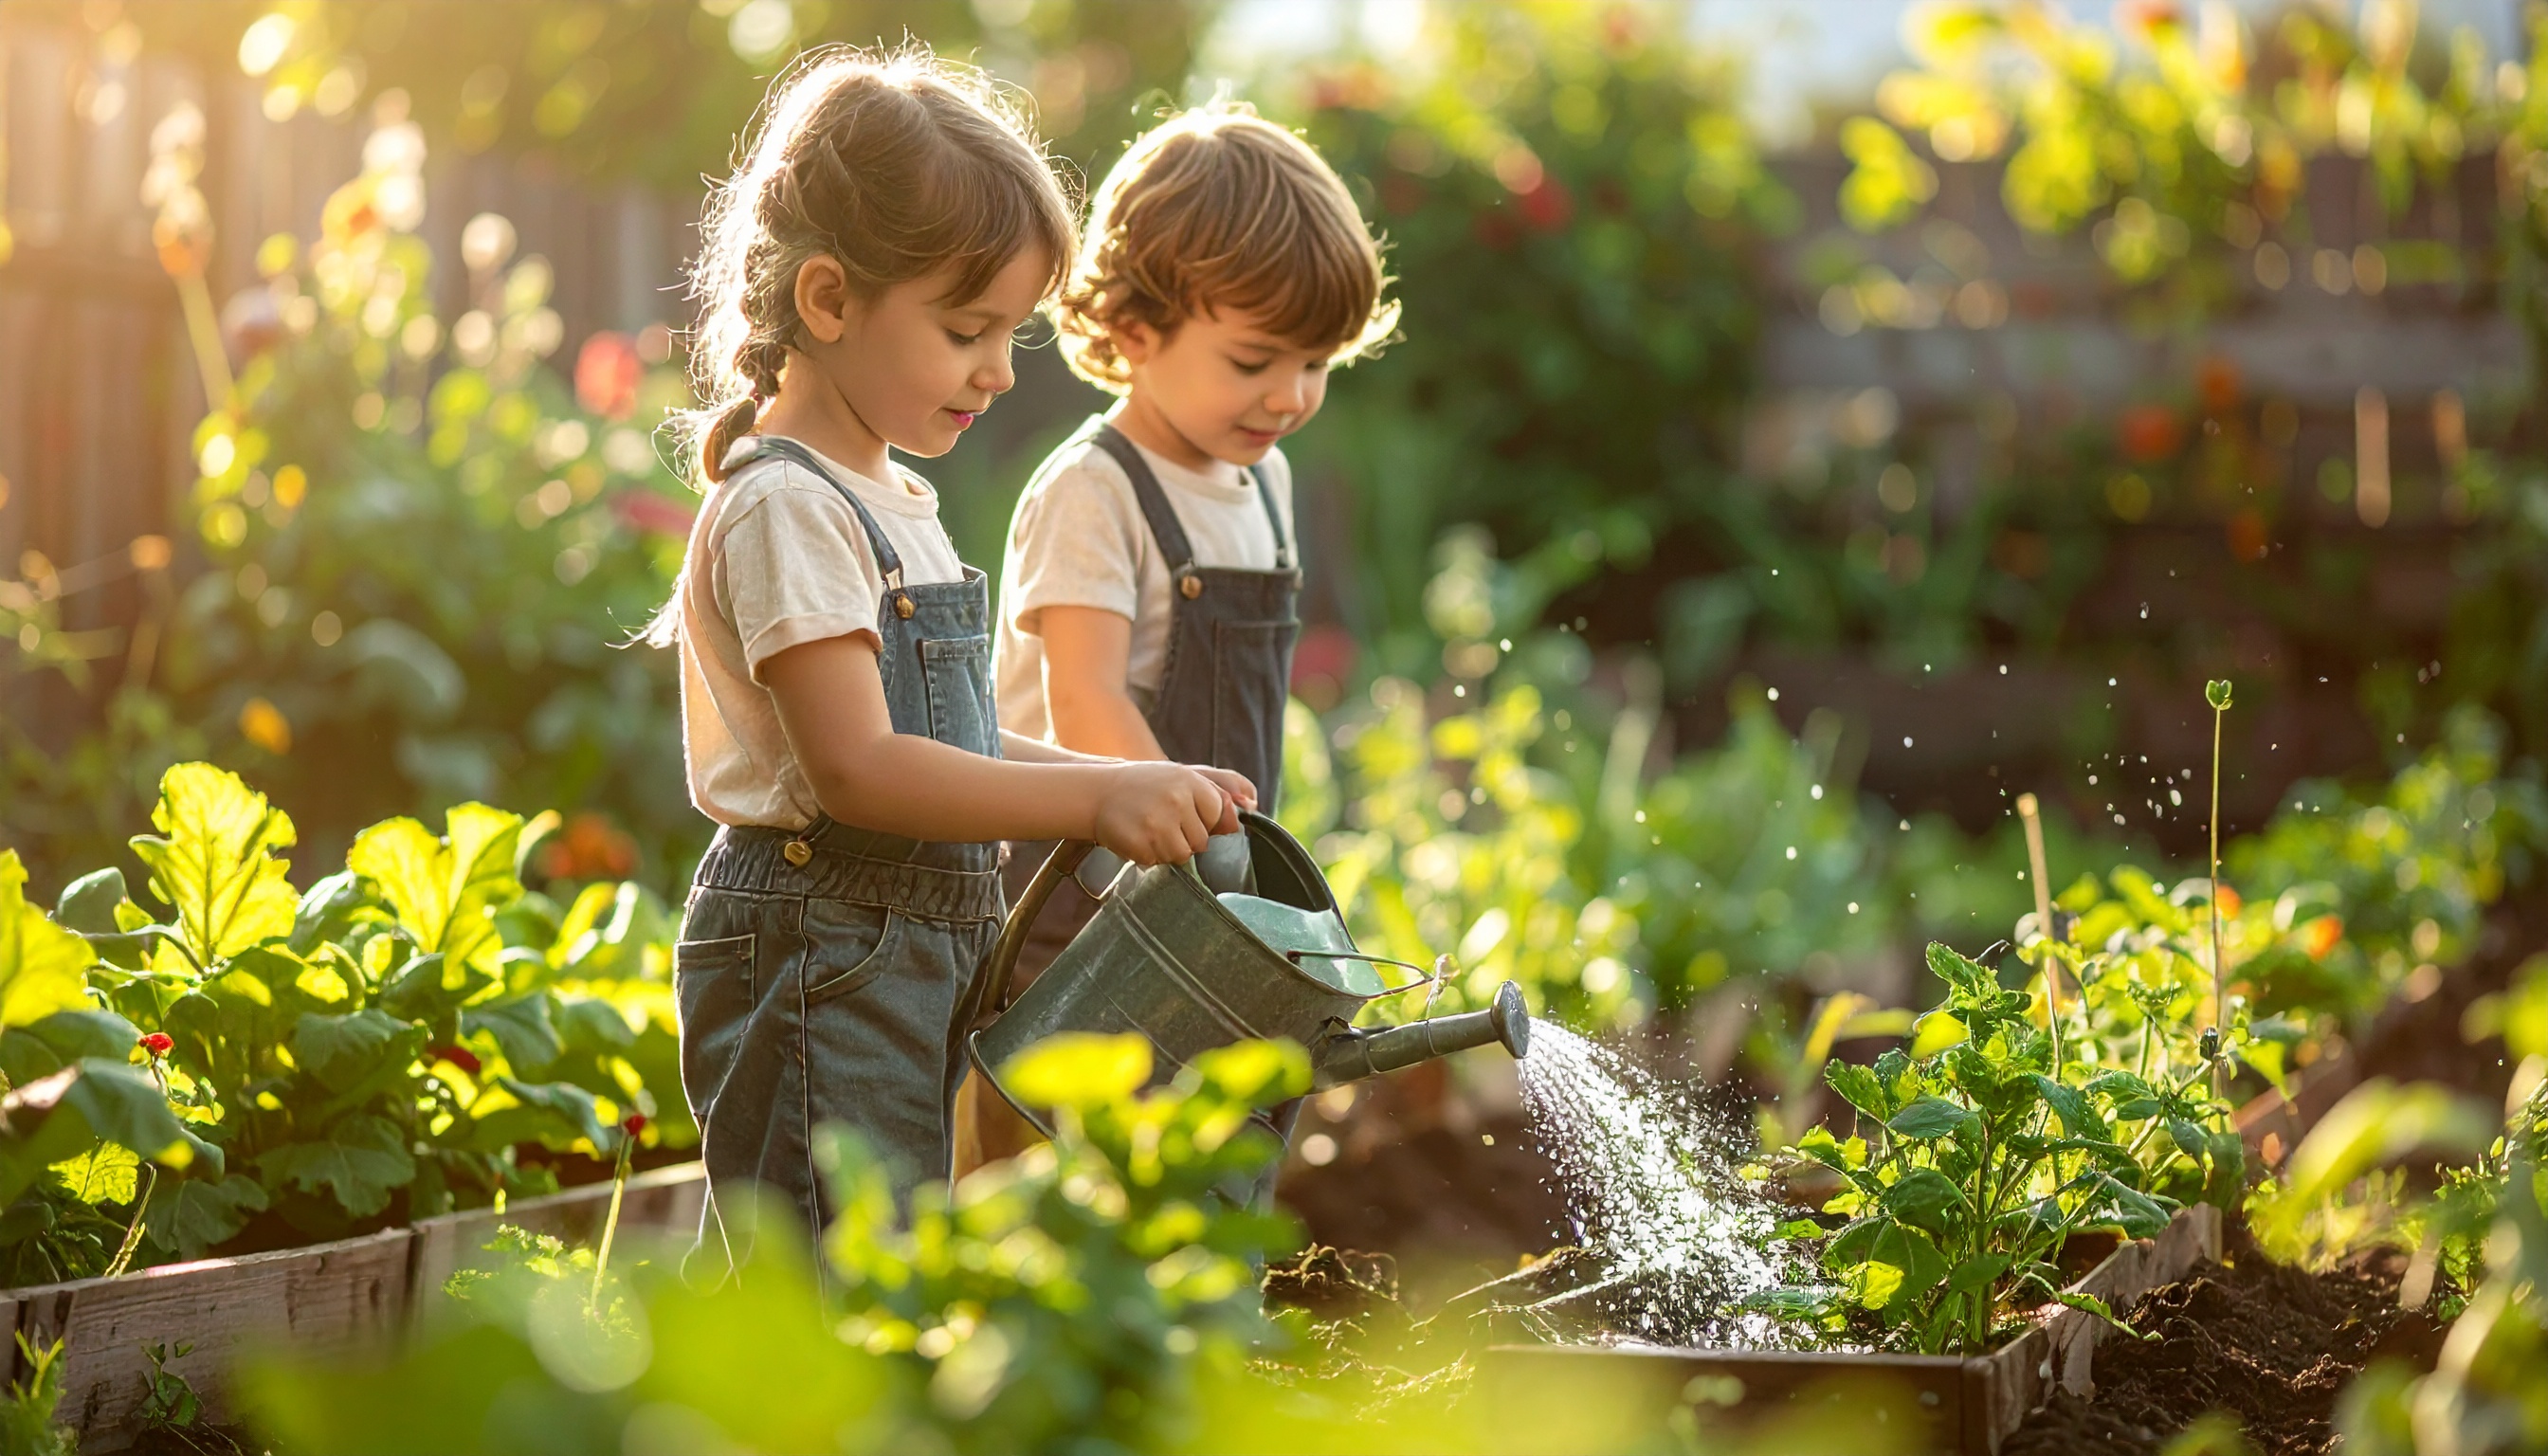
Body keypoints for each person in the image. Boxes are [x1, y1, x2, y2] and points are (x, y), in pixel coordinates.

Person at [651, 48, 1255, 1266]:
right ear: (827, 301)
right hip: (824, 946)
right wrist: (1092, 790)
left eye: (1013, 333)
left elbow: (954, 748)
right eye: (967, 329)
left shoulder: (888, 493)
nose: (999, 370)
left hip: (902, 947)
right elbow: (865, 770)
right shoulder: (790, 506)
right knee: (833, 1279)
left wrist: (1121, 794)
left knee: (899, 1259)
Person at [957, 101, 1395, 1174]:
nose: (1289, 396)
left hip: (1207, 876)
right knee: (1043, 1120)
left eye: (1315, 364)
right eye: (1254, 361)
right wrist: (1192, 861)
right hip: (1078, 879)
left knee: (1188, 1135)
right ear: (1139, 328)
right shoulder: (1094, 491)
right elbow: (1086, 703)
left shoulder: (1266, 480)